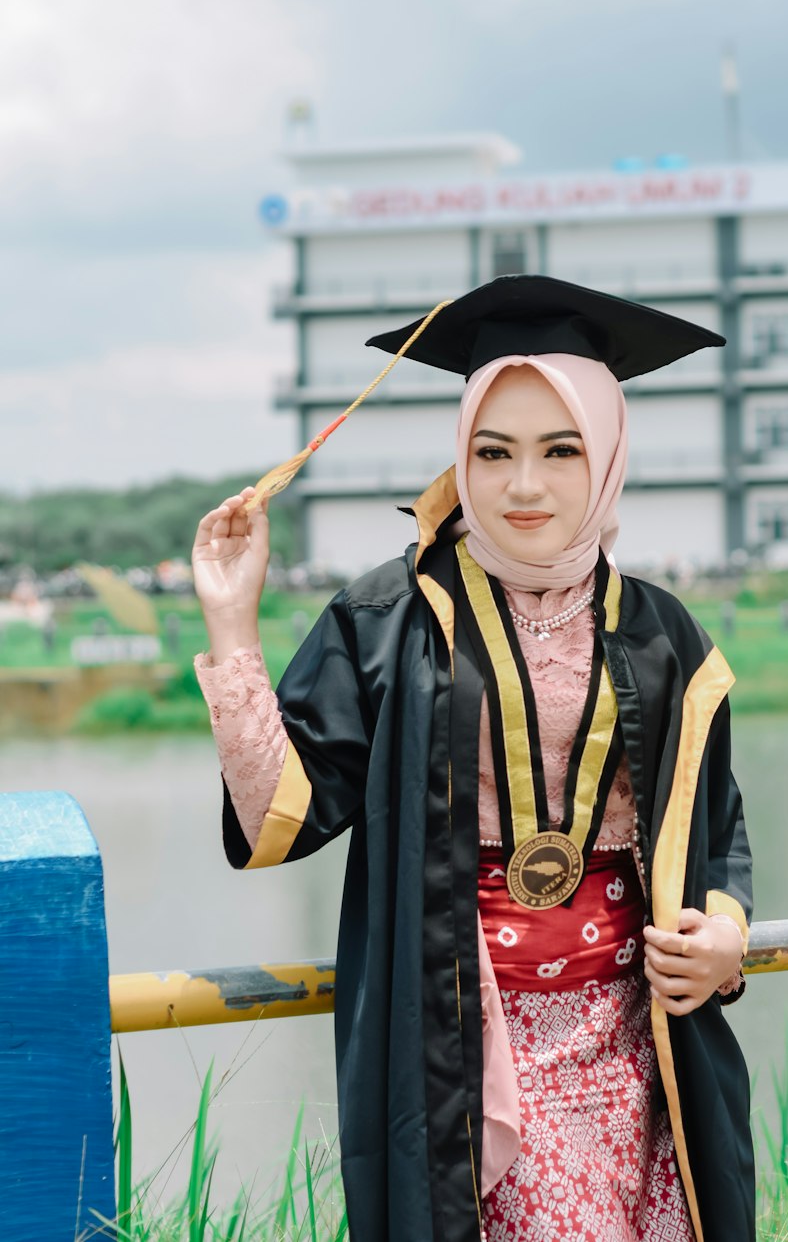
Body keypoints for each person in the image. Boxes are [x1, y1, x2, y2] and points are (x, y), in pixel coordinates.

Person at [191, 276, 754, 1242]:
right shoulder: (388, 622)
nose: (523, 485)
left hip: (637, 1048)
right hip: (457, 1043)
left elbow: (722, 825)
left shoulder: (665, 636)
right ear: (461, 456)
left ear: (609, 454)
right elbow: (281, 818)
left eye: (559, 450)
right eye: (493, 453)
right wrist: (232, 622)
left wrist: (729, 935)